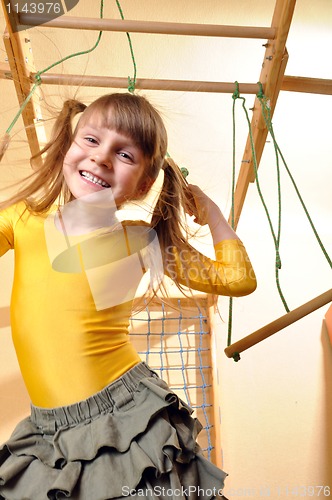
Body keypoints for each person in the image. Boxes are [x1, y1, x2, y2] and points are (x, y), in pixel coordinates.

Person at [0, 92, 256, 500]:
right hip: (48, 432)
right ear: (69, 146)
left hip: (125, 417)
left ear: (145, 183)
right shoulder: (23, 219)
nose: (101, 157)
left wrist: (214, 215)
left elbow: (238, 279)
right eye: (91, 140)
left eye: (125, 155)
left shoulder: (141, 239)